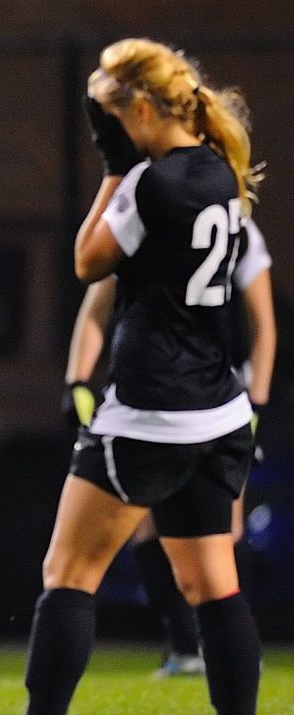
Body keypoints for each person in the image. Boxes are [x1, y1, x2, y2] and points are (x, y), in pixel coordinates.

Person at [0, 38, 266, 715]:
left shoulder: (150, 181)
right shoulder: (219, 170)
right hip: (217, 411)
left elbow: (88, 261)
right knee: (214, 585)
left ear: (144, 110)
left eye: (111, 114)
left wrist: (113, 171)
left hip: (150, 412)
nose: (109, 127)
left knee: (68, 571)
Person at [63, 218, 273, 679]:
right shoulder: (148, 218)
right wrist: (78, 379)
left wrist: (257, 398)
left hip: (203, 401)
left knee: (220, 537)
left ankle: (222, 654)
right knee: (147, 532)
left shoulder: (205, 219)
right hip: (168, 404)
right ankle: (188, 647)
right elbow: (97, 301)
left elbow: (263, 324)